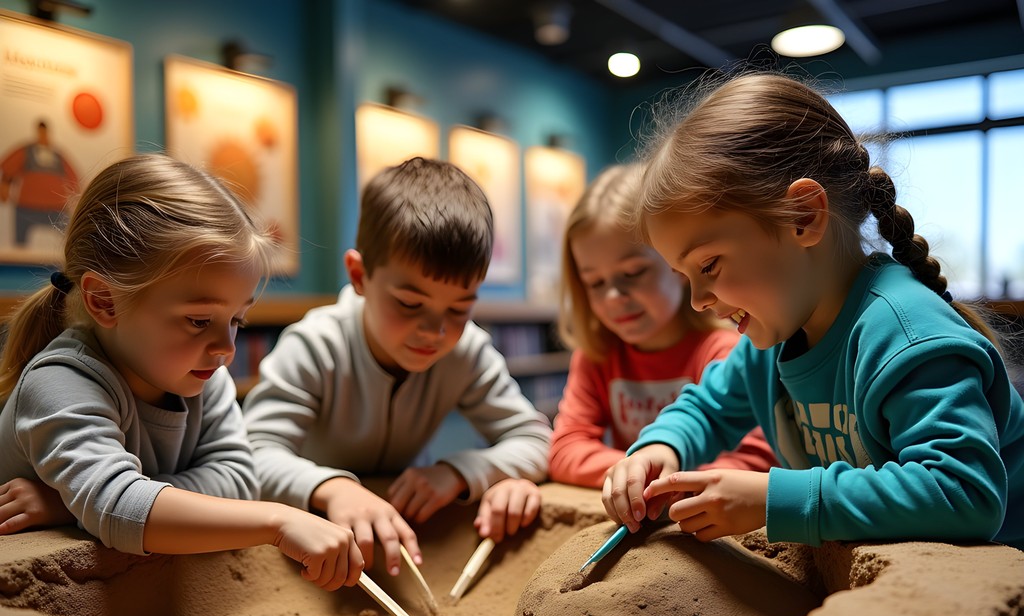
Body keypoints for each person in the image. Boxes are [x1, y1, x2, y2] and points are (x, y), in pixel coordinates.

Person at [602, 72, 1024, 550]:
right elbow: (707, 408)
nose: (698, 300)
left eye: (709, 265)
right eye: (685, 276)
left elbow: (965, 493)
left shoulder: (906, 335)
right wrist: (661, 447)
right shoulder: (776, 333)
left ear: (804, 217)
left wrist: (773, 499)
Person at [0, 153, 362, 590]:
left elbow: (237, 481)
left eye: (237, 320)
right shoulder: (59, 382)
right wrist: (277, 520)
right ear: (105, 301)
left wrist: (74, 504)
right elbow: (122, 508)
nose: (227, 348)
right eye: (198, 320)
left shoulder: (206, 376)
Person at [242, 157, 552, 577]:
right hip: (313, 537)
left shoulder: (467, 351)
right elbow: (253, 456)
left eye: (459, 309)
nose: (435, 331)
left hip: (406, 537)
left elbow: (534, 439)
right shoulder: (314, 345)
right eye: (409, 303)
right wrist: (333, 489)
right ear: (359, 276)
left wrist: (459, 472)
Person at [549, 163, 777, 488]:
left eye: (633, 273)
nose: (613, 297)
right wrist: (636, 472)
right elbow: (565, 449)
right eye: (595, 282)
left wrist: (656, 478)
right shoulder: (597, 354)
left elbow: (756, 459)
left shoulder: (725, 350)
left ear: (679, 266)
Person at [0, 120, 79, 247]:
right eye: (41, 132)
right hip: (27, 207)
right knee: (20, 242)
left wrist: (75, 198)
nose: (43, 135)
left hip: (56, 208)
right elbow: (9, 169)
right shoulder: (26, 151)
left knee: (70, 238)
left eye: (45, 132)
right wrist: (5, 186)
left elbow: (72, 177)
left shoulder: (57, 155)